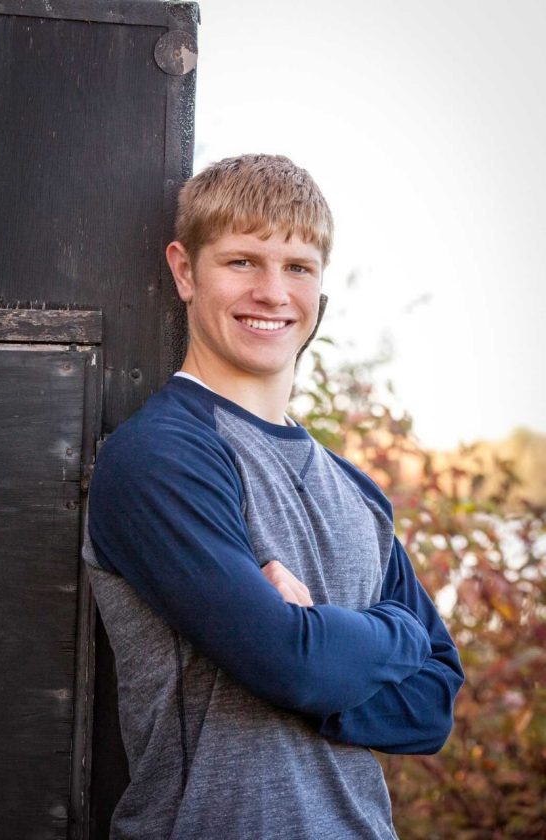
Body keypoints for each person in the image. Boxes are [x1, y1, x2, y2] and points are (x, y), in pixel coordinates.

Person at [83, 153, 464, 839]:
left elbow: (433, 707)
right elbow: (292, 665)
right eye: (240, 262)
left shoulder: (356, 491)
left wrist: (317, 652)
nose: (271, 292)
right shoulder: (161, 457)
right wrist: (384, 640)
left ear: (319, 285)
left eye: (297, 268)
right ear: (183, 270)